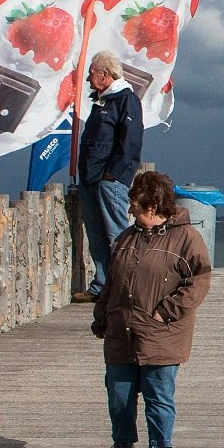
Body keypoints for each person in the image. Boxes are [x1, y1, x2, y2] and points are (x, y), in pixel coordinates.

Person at [92, 169, 212, 448]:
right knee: (119, 395)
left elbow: (199, 281)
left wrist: (165, 313)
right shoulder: (126, 239)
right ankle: (122, 444)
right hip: (121, 333)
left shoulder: (187, 239)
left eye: (135, 205)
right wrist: (101, 315)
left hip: (161, 336)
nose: (130, 210)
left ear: (152, 207)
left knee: (159, 397)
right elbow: (112, 282)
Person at [71, 50, 144, 302]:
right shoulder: (101, 101)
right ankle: (101, 286)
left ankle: (128, 288)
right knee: (96, 236)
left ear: (104, 74)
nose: (89, 79)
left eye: (92, 73)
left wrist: (113, 175)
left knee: (117, 235)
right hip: (90, 178)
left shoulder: (126, 100)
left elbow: (130, 141)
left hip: (109, 179)